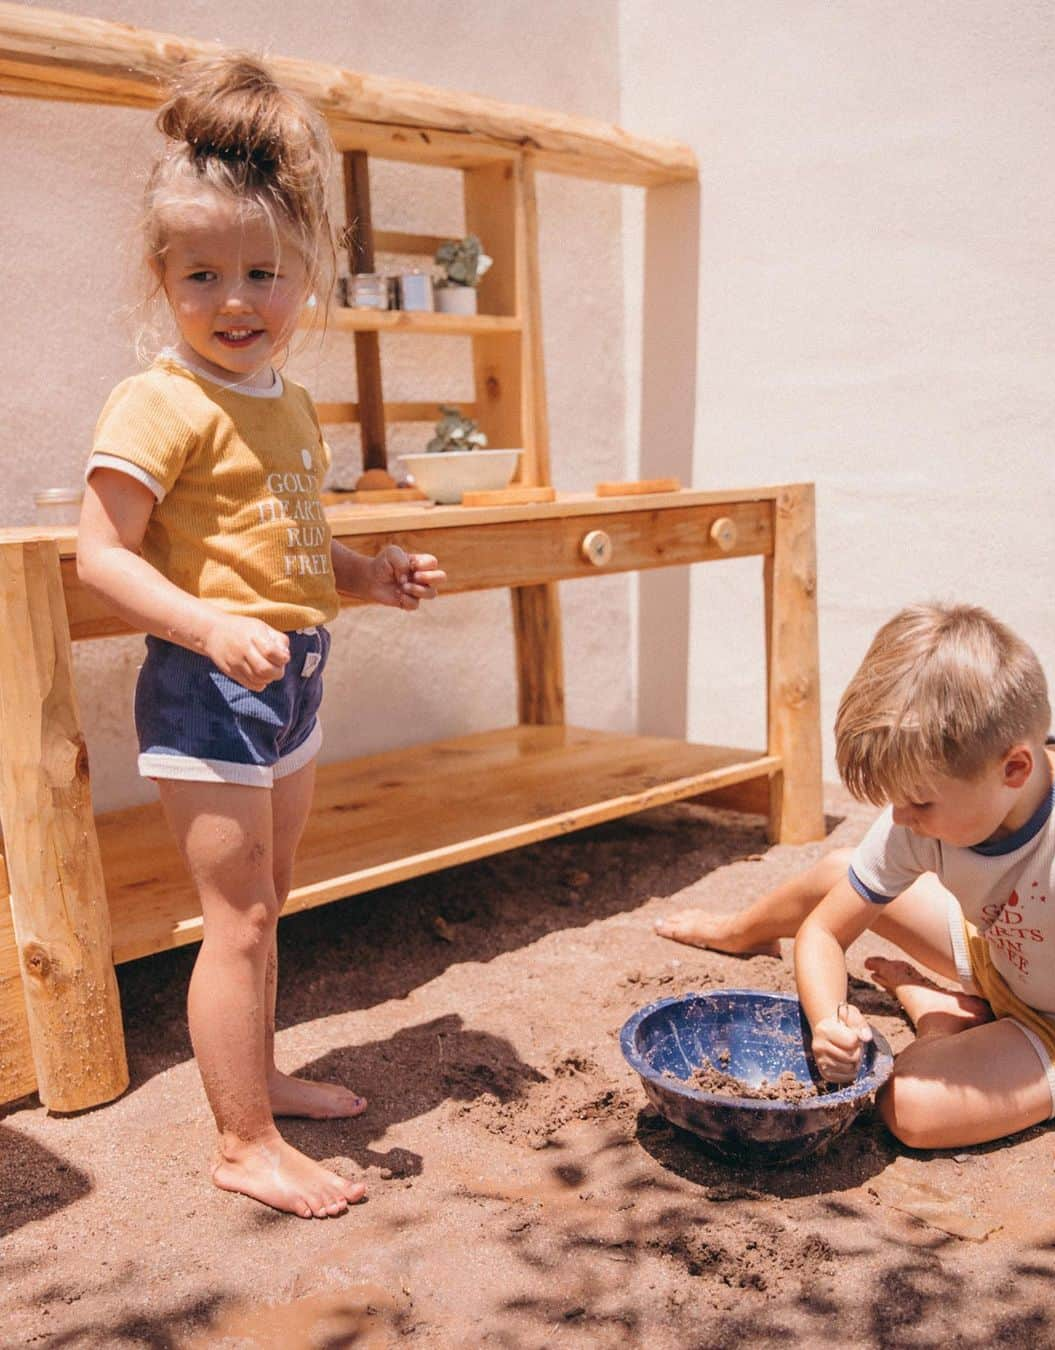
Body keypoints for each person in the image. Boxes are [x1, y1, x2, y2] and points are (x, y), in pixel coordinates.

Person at [77, 53, 445, 1219]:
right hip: (207, 685)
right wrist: (208, 626)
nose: (235, 300)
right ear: (161, 277)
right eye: (203, 274)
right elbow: (103, 555)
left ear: (305, 277)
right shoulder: (159, 399)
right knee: (232, 921)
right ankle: (240, 1141)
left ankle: (261, 1077)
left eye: (263, 273)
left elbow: (291, 544)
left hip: (291, 677)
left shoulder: (283, 400)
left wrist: (369, 577)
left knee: (268, 900)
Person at [656, 604, 1055, 1169]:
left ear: (1015, 770)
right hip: (1000, 950)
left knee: (908, 1107)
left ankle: (936, 1015)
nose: (900, 819)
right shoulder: (928, 811)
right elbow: (824, 934)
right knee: (841, 871)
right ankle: (740, 931)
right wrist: (829, 1019)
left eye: (920, 802)